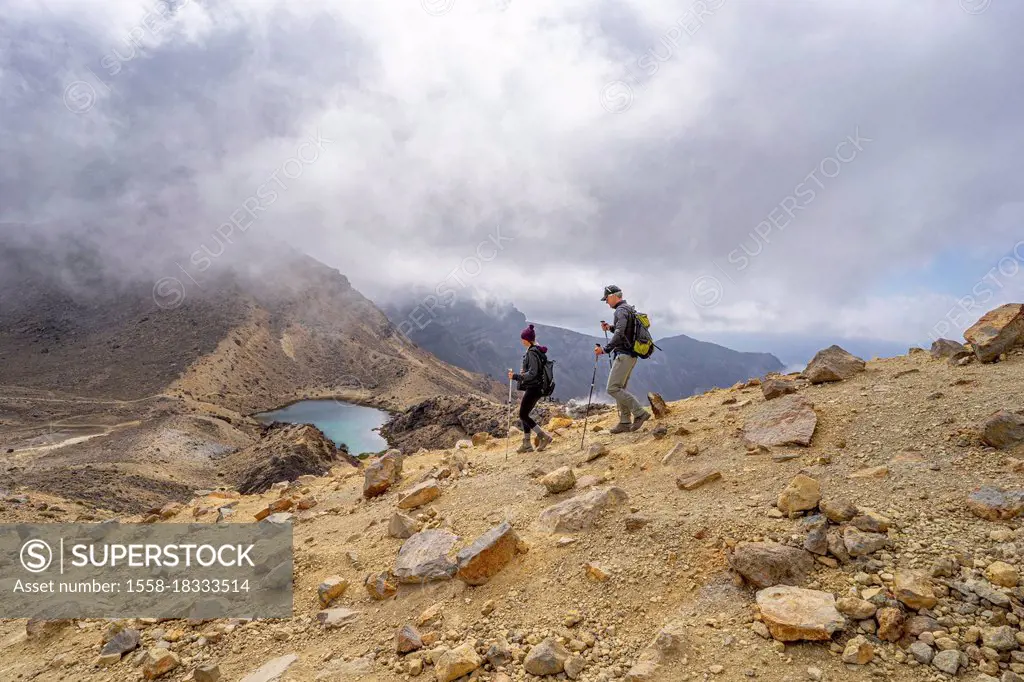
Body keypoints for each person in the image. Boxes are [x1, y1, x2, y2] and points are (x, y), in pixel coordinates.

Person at [594, 285, 651, 433]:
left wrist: (605, 349)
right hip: (631, 355)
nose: (606, 302)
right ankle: (624, 422)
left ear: (614, 296)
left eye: (606, 299)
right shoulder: (628, 309)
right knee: (620, 388)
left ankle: (639, 413)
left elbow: (620, 334)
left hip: (624, 355)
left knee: (612, 388)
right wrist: (610, 328)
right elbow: (625, 330)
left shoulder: (620, 311)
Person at [507, 324, 554, 453]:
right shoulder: (535, 349)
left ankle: (543, 437)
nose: (521, 341)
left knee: (523, 414)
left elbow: (533, 373)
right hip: (535, 387)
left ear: (527, 339)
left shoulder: (532, 352)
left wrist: (516, 376)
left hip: (534, 387)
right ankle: (527, 444)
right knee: (524, 414)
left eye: (523, 338)